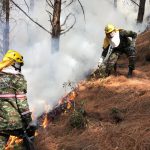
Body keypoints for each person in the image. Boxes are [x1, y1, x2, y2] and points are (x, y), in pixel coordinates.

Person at [0, 50, 35, 150]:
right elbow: (22, 104)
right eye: (19, 64)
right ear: (13, 63)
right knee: (28, 140)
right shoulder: (18, 78)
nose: (19, 67)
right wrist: (29, 122)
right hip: (14, 124)